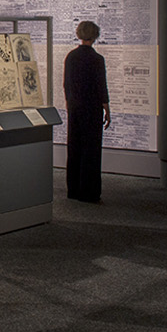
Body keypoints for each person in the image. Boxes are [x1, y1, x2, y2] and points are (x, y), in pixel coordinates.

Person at [63, 20, 110, 203]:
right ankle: (89, 191)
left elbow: (66, 84)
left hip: (75, 107)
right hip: (92, 108)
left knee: (74, 147)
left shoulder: (71, 57)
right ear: (95, 35)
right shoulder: (97, 60)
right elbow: (101, 86)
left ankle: (73, 189)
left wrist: (70, 103)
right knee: (91, 149)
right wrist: (106, 107)